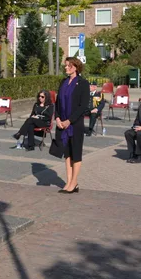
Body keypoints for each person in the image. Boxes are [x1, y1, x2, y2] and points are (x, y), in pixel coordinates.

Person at [54, 57, 91, 192]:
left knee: (76, 153)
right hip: (62, 124)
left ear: (75, 67)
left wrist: (69, 120)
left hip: (75, 125)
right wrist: (57, 118)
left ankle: (74, 182)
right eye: (65, 65)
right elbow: (57, 103)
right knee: (67, 154)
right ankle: (68, 181)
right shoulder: (63, 82)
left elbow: (82, 106)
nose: (65, 68)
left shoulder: (83, 83)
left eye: (68, 65)